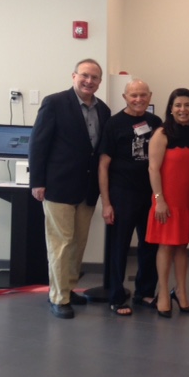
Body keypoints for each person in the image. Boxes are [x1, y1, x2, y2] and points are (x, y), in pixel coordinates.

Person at [29, 58, 111, 319]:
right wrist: (37, 182)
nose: (89, 81)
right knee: (61, 244)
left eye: (94, 77)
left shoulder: (104, 110)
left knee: (77, 243)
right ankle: (58, 297)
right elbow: (38, 144)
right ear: (74, 76)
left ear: (100, 82)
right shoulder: (54, 103)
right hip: (58, 186)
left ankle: (68, 287)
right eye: (85, 75)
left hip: (87, 189)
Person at [98, 79, 161, 316]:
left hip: (150, 195)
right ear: (125, 97)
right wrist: (106, 203)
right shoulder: (114, 124)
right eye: (133, 95)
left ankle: (144, 292)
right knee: (119, 248)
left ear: (150, 96)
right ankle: (116, 296)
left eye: (143, 95)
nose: (138, 99)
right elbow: (103, 165)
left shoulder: (156, 123)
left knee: (149, 246)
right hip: (121, 195)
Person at [145, 88, 189, 318]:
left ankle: (181, 292)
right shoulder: (162, 133)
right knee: (166, 246)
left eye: (187, 105)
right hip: (166, 201)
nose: (183, 110)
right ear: (170, 108)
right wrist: (159, 200)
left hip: (188, 200)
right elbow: (153, 168)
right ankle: (163, 294)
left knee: (181, 247)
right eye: (178, 105)